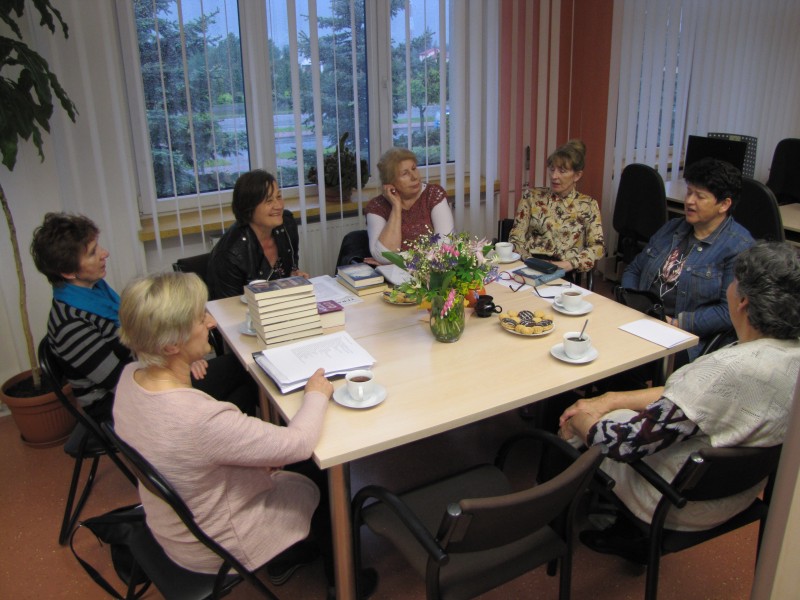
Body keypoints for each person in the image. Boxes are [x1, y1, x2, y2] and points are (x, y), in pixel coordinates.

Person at [114, 272, 375, 597]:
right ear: (171, 345)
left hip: (172, 525)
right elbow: (298, 443)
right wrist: (316, 393)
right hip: (216, 544)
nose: (211, 323)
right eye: (200, 319)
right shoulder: (198, 418)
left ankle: (299, 551)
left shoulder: (130, 377)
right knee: (325, 472)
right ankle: (345, 583)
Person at [559, 242, 800, 550]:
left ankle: (552, 526)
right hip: (742, 492)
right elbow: (686, 396)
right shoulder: (783, 355)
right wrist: (609, 398)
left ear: (743, 301)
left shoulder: (725, 369)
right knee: (608, 409)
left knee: (576, 425)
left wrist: (578, 418)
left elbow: (623, 443)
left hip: (678, 501)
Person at [30, 212, 257, 421]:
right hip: (120, 401)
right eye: (92, 253)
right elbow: (120, 382)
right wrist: (181, 365)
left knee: (242, 389)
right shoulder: (70, 325)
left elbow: (146, 336)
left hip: (150, 371)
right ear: (68, 272)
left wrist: (186, 356)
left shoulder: (95, 292)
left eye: (97, 246)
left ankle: (223, 438)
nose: (104, 253)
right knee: (241, 370)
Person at [621, 157, 754, 360]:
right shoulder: (672, 228)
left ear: (724, 204)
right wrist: (630, 302)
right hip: (642, 320)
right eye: (689, 192)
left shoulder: (739, 247)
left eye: (700, 196)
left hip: (685, 338)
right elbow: (634, 269)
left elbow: (728, 311)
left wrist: (675, 323)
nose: (689, 201)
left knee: (621, 360)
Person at [207, 169, 310, 300]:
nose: (278, 206)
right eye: (269, 201)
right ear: (249, 208)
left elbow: (289, 268)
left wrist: (294, 277)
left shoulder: (286, 225)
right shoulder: (230, 254)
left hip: (278, 304)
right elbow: (229, 305)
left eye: (278, 197)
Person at [508, 139, 605, 275]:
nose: (554, 176)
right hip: (529, 265)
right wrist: (528, 259)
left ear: (577, 175)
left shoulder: (588, 205)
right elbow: (516, 237)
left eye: (562, 171)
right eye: (552, 169)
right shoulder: (531, 197)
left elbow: (597, 247)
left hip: (563, 270)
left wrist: (569, 264)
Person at [364, 147, 454, 264]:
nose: (414, 177)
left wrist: (397, 260)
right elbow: (384, 256)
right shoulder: (376, 207)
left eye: (414, 168)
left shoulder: (433, 195)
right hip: (398, 274)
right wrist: (396, 207)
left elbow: (445, 246)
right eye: (405, 173)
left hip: (432, 270)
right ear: (390, 182)